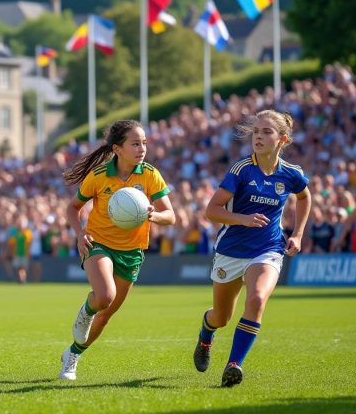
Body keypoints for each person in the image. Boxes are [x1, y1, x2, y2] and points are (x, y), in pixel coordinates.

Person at [193, 110, 311, 387]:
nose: (258, 136)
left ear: (282, 139)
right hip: (230, 251)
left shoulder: (292, 173)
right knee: (221, 317)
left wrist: (298, 234)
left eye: (266, 132)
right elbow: (212, 210)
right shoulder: (241, 169)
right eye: (256, 131)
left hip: (268, 249)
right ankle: (206, 333)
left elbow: (305, 197)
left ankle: (234, 365)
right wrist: (242, 220)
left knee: (257, 300)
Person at [58, 120, 175, 380]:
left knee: (105, 317)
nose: (142, 148)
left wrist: (153, 215)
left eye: (144, 143)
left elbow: (171, 216)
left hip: (132, 251)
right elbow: (72, 208)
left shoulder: (150, 174)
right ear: (117, 148)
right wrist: (79, 233)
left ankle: (73, 354)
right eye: (135, 143)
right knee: (104, 296)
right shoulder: (100, 175)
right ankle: (85, 311)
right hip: (97, 243)